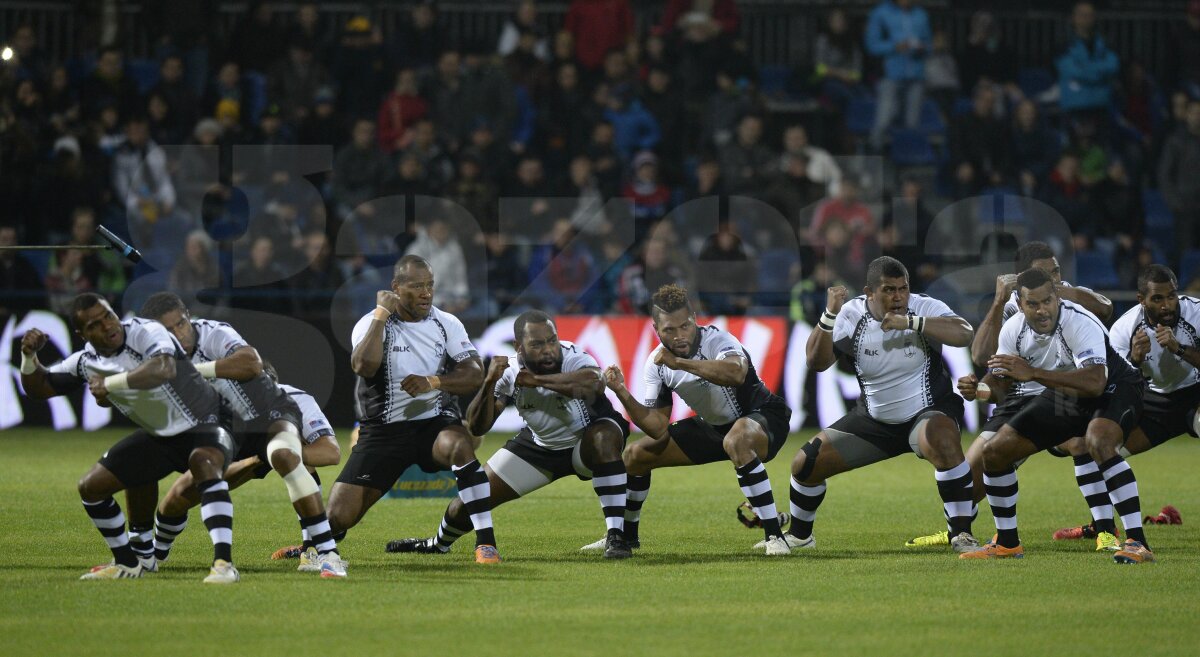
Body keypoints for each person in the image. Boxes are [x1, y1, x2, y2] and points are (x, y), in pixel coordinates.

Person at [18, 293, 238, 582]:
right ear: (82, 334)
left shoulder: (146, 330)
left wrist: (111, 384)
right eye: (95, 324)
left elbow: (164, 368)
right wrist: (28, 358)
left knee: (203, 463)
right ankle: (129, 562)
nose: (108, 325)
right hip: (162, 436)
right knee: (91, 487)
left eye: (108, 315)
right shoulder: (86, 362)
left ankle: (224, 564)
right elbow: (40, 388)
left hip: (208, 421)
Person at [387, 311, 634, 559]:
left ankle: (616, 537)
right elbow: (477, 427)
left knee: (602, 438)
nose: (548, 349)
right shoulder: (509, 371)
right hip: (540, 446)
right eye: (537, 344)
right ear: (519, 347)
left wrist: (537, 380)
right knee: (469, 501)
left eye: (551, 340)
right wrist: (489, 383)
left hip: (586, 442)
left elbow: (593, 384)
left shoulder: (572, 355)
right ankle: (438, 544)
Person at [138, 292, 346, 577]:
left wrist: (190, 372)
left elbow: (331, 452)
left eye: (181, 324)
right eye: (168, 330)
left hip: (269, 426)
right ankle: (154, 556)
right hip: (230, 434)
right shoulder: (157, 358)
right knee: (180, 493)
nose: (179, 334)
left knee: (288, 454)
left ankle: (322, 551)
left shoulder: (214, 336)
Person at [957, 268, 1153, 564]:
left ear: (1056, 297)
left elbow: (1095, 382)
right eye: (1033, 304)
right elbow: (1000, 383)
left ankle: (1137, 541)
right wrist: (979, 390)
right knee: (995, 452)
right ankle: (1008, 544)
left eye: (1048, 301)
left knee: (1098, 441)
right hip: (1066, 391)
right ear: (1020, 305)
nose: (1042, 309)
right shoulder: (1013, 331)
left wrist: (1033, 373)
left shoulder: (1079, 321)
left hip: (1115, 387)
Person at [787, 257, 979, 554]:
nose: (898, 296)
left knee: (941, 437)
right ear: (869, 293)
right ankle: (800, 536)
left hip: (926, 413)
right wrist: (829, 314)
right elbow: (817, 362)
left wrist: (912, 322)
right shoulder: (851, 315)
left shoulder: (921, 306)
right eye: (889, 290)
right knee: (805, 463)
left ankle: (962, 533)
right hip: (876, 421)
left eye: (903, 288)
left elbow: (964, 332)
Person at [586, 284, 794, 555]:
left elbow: (736, 373)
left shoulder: (718, 340)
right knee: (636, 454)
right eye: (669, 330)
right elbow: (656, 427)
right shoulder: (656, 363)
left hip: (764, 418)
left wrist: (680, 364)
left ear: (695, 319)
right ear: (656, 329)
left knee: (737, 439)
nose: (679, 335)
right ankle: (625, 536)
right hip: (715, 429)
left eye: (684, 326)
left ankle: (774, 536)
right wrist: (622, 392)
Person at [327, 256, 496, 563]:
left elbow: (473, 372)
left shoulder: (446, 323)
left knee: (460, 444)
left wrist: (435, 381)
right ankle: (315, 545)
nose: (426, 293)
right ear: (396, 288)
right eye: (417, 286)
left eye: (430, 285)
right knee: (338, 516)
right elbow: (363, 366)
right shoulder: (372, 322)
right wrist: (381, 313)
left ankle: (486, 544)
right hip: (384, 432)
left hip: (433, 424)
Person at [1051, 265, 1192, 542]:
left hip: (1194, 394)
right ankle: (1102, 526)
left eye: (1172, 296)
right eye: (1158, 299)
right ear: (1142, 300)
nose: (1167, 305)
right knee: (1101, 450)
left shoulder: (1197, 313)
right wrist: (1135, 361)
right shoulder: (1123, 330)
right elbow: (1118, 387)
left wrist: (1180, 349)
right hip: (1154, 402)